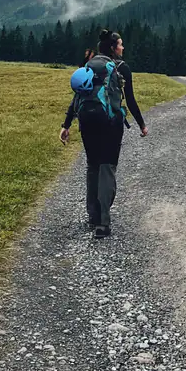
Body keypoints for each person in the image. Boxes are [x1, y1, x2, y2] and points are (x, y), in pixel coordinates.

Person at [60, 29, 149, 238]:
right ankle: (103, 223)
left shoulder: (89, 66)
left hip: (87, 120)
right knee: (107, 168)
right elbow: (131, 101)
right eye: (120, 44)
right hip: (110, 122)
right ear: (112, 48)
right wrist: (142, 125)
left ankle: (93, 215)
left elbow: (77, 97)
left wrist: (66, 125)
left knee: (93, 165)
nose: (123, 47)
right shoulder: (121, 68)